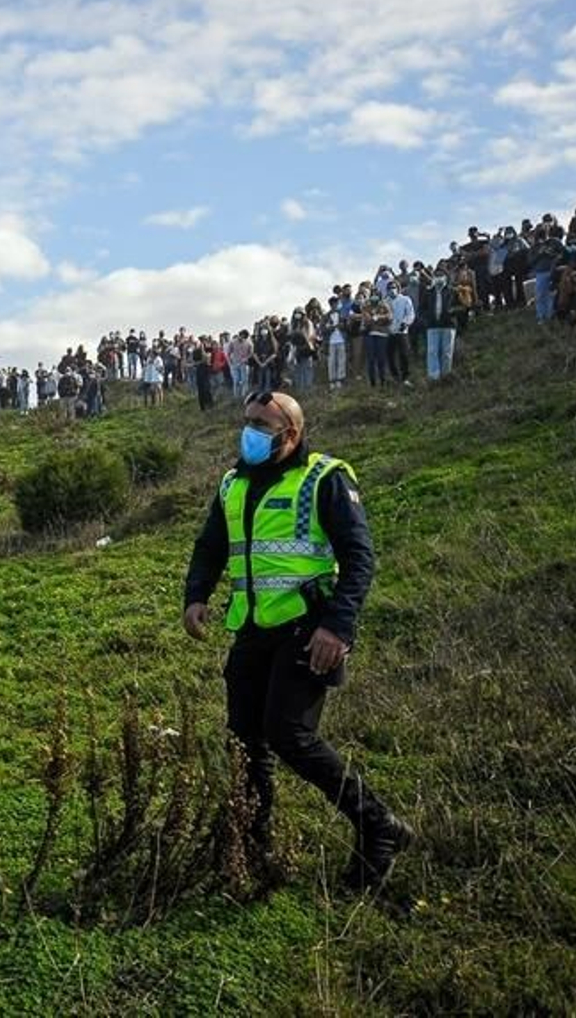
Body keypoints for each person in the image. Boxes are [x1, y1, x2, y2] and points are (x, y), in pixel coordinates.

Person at [183, 391, 412, 890]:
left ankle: (378, 825)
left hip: (308, 628)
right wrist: (196, 594)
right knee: (245, 739)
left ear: (290, 434)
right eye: (247, 422)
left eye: (262, 425)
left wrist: (338, 627)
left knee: (290, 735)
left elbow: (359, 559)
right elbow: (212, 545)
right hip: (253, 628)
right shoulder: (232, 484)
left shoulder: (325, 478)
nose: (250, 433)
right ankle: (252, 845)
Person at [419, 267, 458, 382]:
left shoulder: (452, 291)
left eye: (441, 275)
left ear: (446, 277)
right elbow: (421, 309)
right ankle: (434, 377)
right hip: (432, 325)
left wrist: (452, 312)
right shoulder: (428, 292)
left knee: (447, 351)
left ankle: (446, 375)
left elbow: (461, 306)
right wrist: (426, 320)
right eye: (436, 275)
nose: (439, 277)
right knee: (432, 351)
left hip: (449, 325)